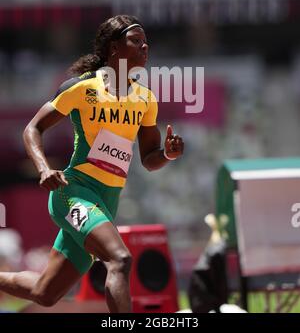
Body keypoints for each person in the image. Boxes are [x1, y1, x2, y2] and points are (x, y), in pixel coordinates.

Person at [0, 15, 184, 313]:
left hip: (106, 201)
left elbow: (150, 160)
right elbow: (32, 129)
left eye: (145, 40)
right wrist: (44, 169)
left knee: (45, 292)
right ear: (114, 48)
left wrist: (168, 155)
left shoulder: (145, 99)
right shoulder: (82, 88)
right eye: (135, 40)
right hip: (73, 192)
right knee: (119, 260)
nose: (145, 46)